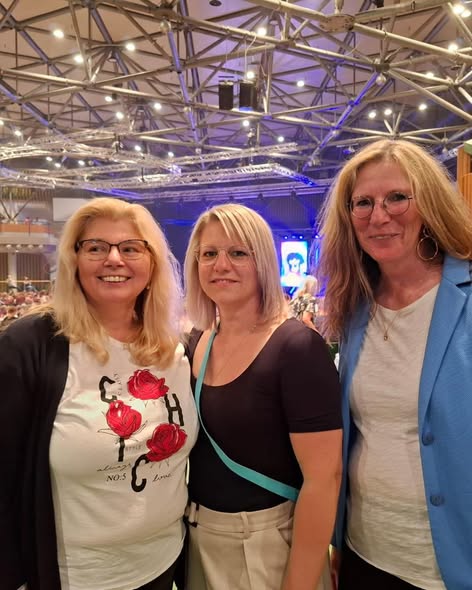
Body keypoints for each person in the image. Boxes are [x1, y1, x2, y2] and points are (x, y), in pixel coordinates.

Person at [0, 197, 198, 590]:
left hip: (163, 562)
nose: (114, 259)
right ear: (74, 260)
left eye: (131, 248)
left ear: (153, 263)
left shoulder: (173, 347)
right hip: (75, 575)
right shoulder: (29, 346)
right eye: (95, 247)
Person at [317, 138, 472, 590]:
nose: (379, 216)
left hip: (451, 565)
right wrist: (337, 542)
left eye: (397, 197)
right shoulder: (356, 307)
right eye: (363, 203)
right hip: (365, 553)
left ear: (429, 203)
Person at [183, 203, 342, 590]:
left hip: (267, 548)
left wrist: (298, 584)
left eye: (238, 253)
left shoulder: (297, 347)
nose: (221, 265)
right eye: (209, 253)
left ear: (264, 264)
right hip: (198, 538)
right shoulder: (197, 341)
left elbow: (324, 479)